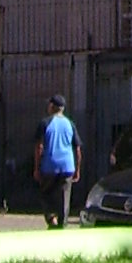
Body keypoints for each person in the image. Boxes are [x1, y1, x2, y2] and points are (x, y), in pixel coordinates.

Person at [33, 93, 81, 227]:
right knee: (64, 198)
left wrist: (36, 167)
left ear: (52, 106)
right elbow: (77, 149)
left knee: (45, 193)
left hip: (49, 166)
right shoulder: (70, 124)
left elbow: (39, 146)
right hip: (67, 166)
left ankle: (51, 218)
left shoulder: (45, 123)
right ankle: (62, 224)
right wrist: (77, 169)